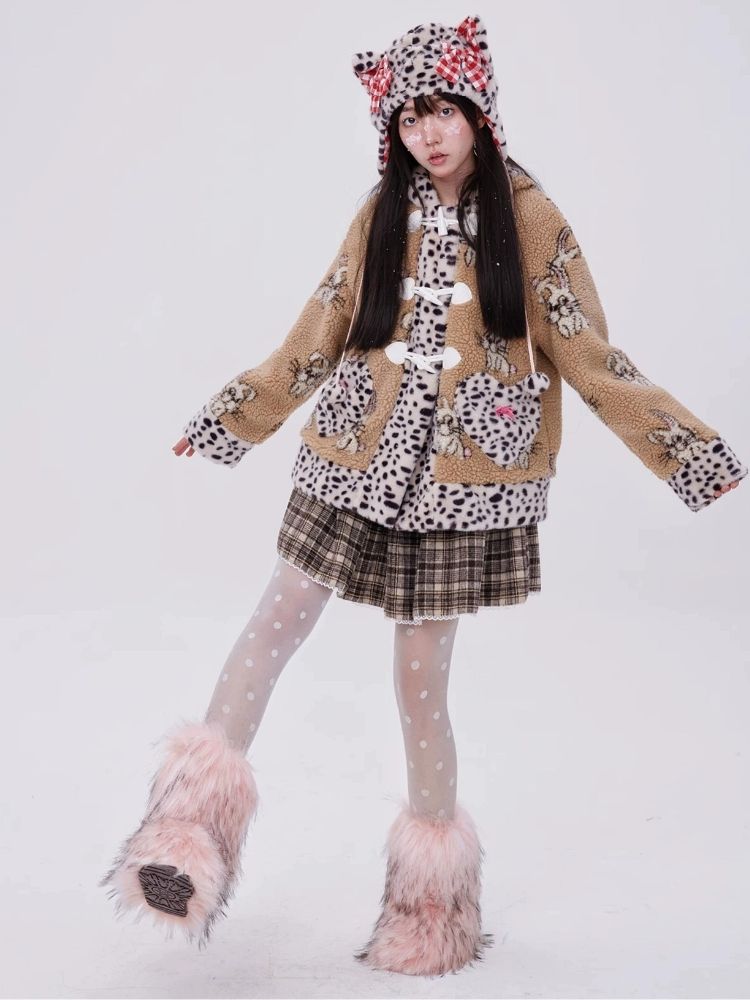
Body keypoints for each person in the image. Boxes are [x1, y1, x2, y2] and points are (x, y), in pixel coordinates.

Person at [100, 14, 746, 978]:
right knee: (276, 618)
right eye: (410, 119)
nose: (429, 134)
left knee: (418, 681)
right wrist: (239, 412)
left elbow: (588, 354)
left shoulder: (531, 217)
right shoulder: (381, 210)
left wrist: (685, 450)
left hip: (462, 486)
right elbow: (319, 328)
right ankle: (183, 838)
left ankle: (432, 907)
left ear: (480, 114)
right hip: (351, 457)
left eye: (445, 112)